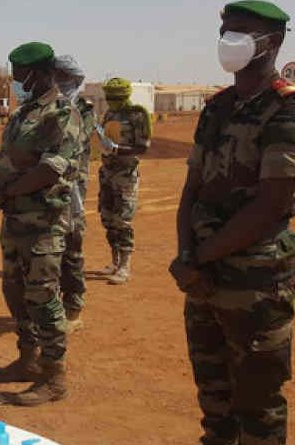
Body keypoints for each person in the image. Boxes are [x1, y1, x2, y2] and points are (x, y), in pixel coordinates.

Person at [169, 2, 295, 443]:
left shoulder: (286, 110)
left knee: (257, 410)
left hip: (255, 286)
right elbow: (191, 191)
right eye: (225, 30)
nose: (228, 39)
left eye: (240, 30)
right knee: (214, 404)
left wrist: (197, 258)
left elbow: (270, 206)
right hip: (203, 280)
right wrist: (187, 258)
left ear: (273, 42)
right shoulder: (217, 108)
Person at [0, 42, 82, 405]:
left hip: (45, 223)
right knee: (15, 292)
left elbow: (53, 167)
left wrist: (10, 192)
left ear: (38, 74)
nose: (16, 81)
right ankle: (29, 359)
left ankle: (54, 377)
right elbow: (4, 156)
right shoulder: (24, 114)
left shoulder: (61, 113)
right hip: (15, 221)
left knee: (43, 296)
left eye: (20, 75)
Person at [54, 55, 97, 332]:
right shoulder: (52, 106)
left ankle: (73, 308)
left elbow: (74, 142)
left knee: (72, 251)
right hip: (50, 190)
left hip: (74, 191)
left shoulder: (83, 108)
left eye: (62, 77)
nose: (58, 82)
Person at [97, 77, 152, 285]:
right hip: (107, 173)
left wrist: (117, 150)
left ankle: (125, 266)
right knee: (108, 218)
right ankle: (115, 260)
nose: (110, 100)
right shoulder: (110, 114)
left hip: (125, 176)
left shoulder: (137, 115)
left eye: (114, 97)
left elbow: (143, 148)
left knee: (123, 220)